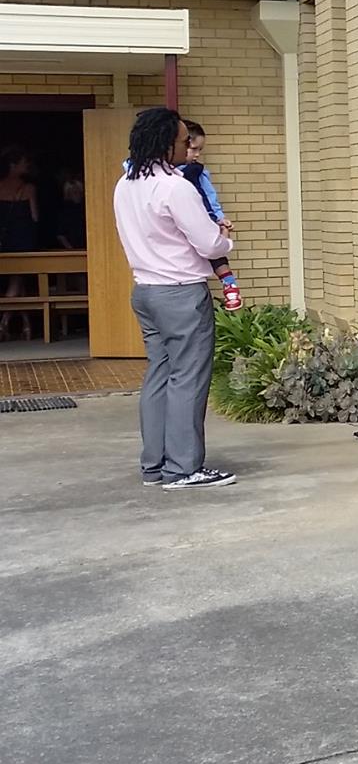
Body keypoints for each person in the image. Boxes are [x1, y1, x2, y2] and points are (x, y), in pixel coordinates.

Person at [112, 108, 238, 489]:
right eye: (184, 142)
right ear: (167, 144)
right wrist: (224, 238)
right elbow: (208, 244)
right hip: (181, 294)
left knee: (159, 374)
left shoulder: (125, 185)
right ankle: (183, 468)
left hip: (145, 292)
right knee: (188, 378)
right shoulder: (176, 187)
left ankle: (154, 465)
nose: (188, 148)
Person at [180, 121, 243, 311]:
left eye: (200, 150)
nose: (197, 154)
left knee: (215, 251)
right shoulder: (160, 175)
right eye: (193, 149)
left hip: (203, 217)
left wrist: (219, 217)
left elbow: (210, 196)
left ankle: (230, 285)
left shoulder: (197, 172)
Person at [0, 147, 38, 341]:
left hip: (5, 241)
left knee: (18, 280)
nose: (27, 165)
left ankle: (26, 325)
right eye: (23, 162)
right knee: (17, 280)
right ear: (13, 165)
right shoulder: (28, 188)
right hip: (23, 240)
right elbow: (35, 216)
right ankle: (4, 323)